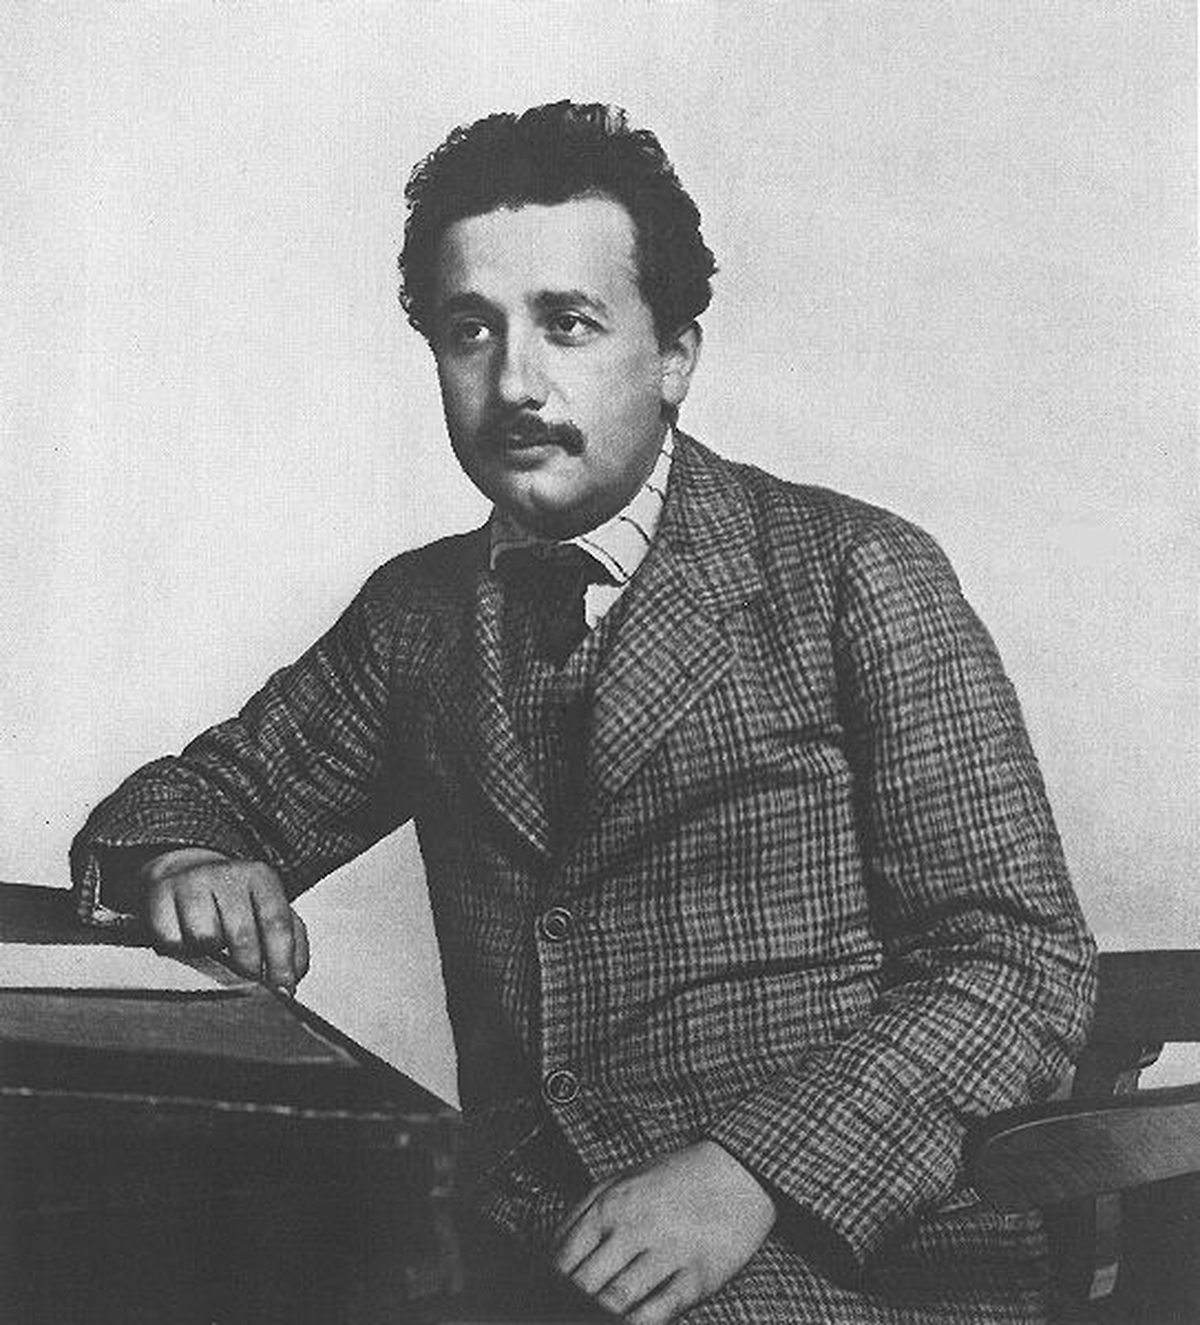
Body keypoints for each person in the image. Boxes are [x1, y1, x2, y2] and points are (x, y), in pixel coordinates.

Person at [72, 101, 1097, 1323]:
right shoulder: (417, 617)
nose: (515, 381)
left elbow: (1015, 961)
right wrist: (187, 858)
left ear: (674, 356)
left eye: (568, 323)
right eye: (471, 329)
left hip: (859, 1255)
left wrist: (749, 1172)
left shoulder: (853, 573)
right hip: (527, 1239)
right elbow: (195, 797)